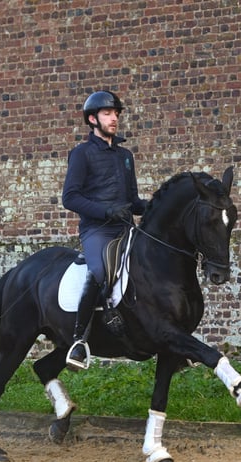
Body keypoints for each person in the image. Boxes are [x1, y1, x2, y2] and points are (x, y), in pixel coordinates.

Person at [62, 90, 148, 370]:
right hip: (97, 231)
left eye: (116, 114)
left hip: (126, 230)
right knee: (99, 273)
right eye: (108, 113)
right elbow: (70, 198)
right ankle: (79, 341)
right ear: (92, 119)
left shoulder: (125, 156)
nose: (114, 119)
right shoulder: (81, 154)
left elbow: (133, 201)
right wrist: (106, 210)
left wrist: (154, 205)